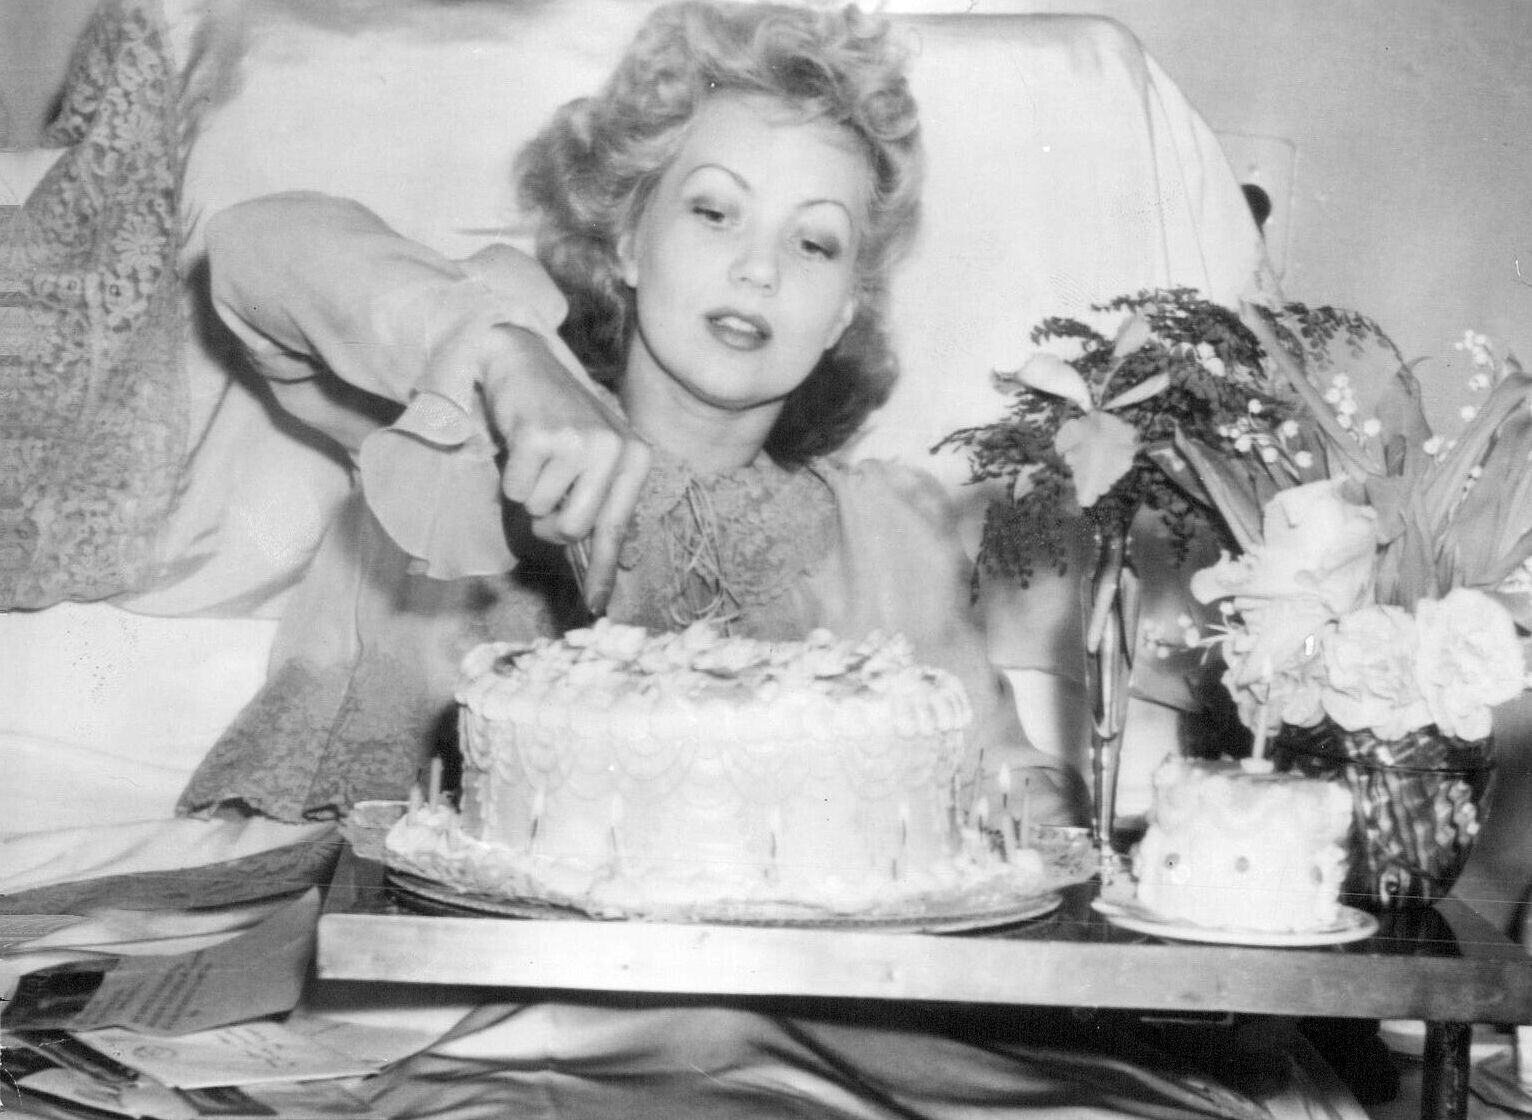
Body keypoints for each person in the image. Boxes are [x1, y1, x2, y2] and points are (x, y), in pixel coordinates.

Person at [177, 0, 1085, 836]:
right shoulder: (471, 413)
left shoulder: (889, 541)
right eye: (714, 211)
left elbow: (1011, 781)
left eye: (813, 242)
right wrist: (498, 348)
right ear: (627, 240)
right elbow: (247, 253)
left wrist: (1052, 801)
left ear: (845, 309)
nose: (759, 269)